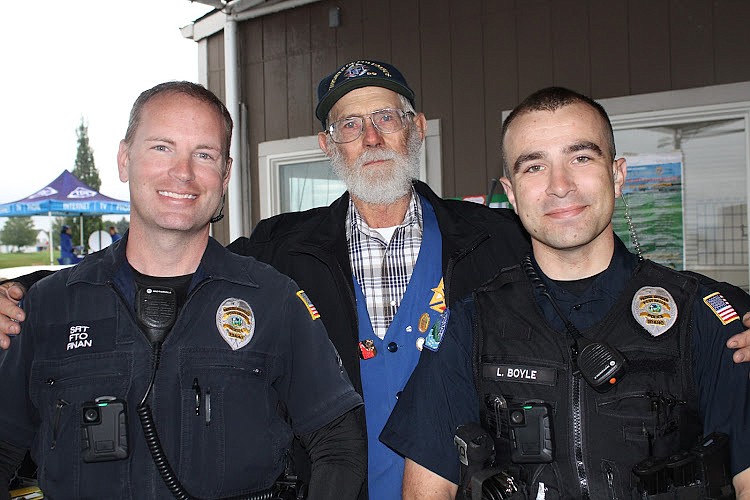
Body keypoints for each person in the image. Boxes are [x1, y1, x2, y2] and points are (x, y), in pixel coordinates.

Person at [3, 61, 750, 498]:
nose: (370, 137)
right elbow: (176, 260)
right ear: (329, 144)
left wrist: (734, 313)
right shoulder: (278, 250)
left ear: (415, 129)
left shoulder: (494, 238)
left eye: (386, 118)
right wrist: (26, 291)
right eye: (349, 124)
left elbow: (604, 271)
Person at [0, 81, 365, 500]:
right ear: (124, 159)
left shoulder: (273, 300)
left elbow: (339, 443)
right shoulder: (46, 307)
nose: (183, 173)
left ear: (225, 175)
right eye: (162, 148)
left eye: (204, 155)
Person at [380, 87, 750, 499]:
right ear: (513, 193)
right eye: (534, 166)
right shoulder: (469, 325)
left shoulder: (707, 318)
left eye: (581, 157)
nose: (560, 185)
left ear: (617, 173)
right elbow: (427, 489)